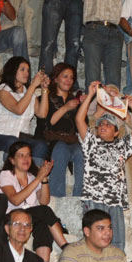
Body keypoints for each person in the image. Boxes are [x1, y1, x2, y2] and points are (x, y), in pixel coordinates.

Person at [76, 81, 132, 252]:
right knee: (95, 241)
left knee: (117, 244)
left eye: (108, 124)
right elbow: (79, 120)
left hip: (115, 201)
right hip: (94, 198)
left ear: (116, 132)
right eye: (100, 124)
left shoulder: (121, 145)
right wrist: (90, 95)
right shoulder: (91, 142)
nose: (103, 126)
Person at [0, 141, 66, 262]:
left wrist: (44, 178)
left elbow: (44, 201)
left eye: (28, 155)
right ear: (12, 160)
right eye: (21, 155)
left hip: (31, 217)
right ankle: (65, 246)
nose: (26, 159)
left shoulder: (32, 177)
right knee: (44, 211)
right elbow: (15, 200)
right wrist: (39, 178)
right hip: (12, 216)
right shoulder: (6, 175)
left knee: (43, 225)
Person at [35, 62, 84, 198]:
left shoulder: (75, 101)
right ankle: (56, 195)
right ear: (56, 79)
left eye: (71, 77)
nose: (69, 80)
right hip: (51, 141)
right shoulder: (45, 98)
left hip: (71, 141)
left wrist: (83, 106)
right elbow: (47, 123)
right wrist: (66, 107)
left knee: (81, 151)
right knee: (61, 149)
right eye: (65, 76)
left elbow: (81, 127)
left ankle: (80, 196)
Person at [55, 209, 128, 262]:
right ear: (87, 231)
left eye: (110, 228)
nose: (108, 233)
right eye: (101, 228)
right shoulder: (72, 254)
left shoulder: (118, 255)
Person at [0, 57, 49, 155]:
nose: (26, 73)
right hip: (1, 135)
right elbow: (18, 109)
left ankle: (33, 166)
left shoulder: (29, 94)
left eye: (28, 70)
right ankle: (11, 164)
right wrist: (33, 86)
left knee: (41, 145)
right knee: (13, 142)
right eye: (22, 69)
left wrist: (44, 89)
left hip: (23, 138)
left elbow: (42, 114)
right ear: (13, 70)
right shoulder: (3, 90)